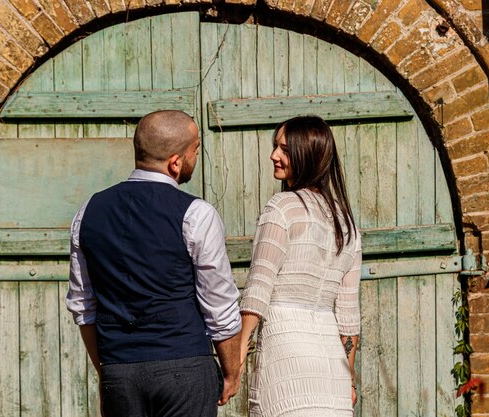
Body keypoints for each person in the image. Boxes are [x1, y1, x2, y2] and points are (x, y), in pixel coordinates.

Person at [66, 110, 242, 417]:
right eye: (195, 151)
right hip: (184, 368)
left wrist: (110, 368)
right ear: (176, 162)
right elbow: (219, 304)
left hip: (119, 371)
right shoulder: (196, 214)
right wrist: (231, 371)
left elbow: (83, 306)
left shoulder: (87, 212)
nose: (196, 158)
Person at [239, 116, 362, 416]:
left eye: (284, 149)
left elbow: (259, 289)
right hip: (331, 367)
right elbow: (348, 319)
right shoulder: (347, 225)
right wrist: (349, 379)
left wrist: (238, 353)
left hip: (285, 353)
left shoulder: (281, 208)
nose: (274, 155)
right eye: (275, 147)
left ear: (307, 155)